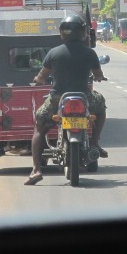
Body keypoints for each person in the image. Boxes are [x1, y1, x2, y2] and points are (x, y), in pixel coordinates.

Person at [24, 15, 107, 185]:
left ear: (62, 32)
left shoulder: (54, 53)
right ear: (82, 32)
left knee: (39, 125)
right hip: (85, 98)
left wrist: (38, 80)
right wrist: (99, 77)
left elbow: (42, 77)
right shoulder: (90, 53)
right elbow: (98, 74)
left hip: (57, 99)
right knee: (101, 106)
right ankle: (95, 143)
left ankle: (36, 170)